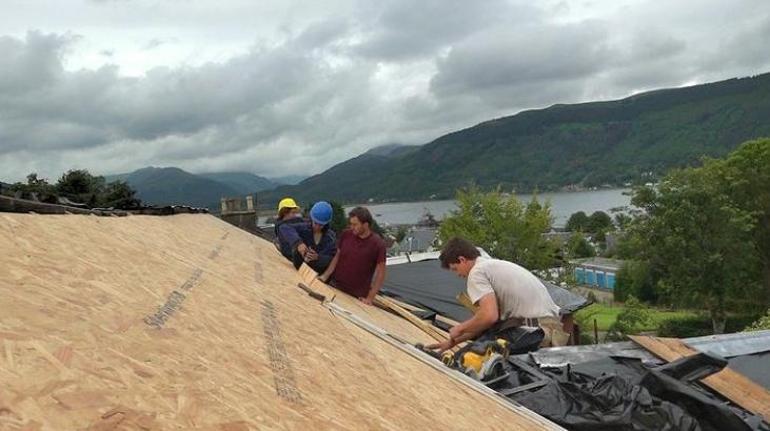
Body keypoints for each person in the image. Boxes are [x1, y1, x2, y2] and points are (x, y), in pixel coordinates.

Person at [427, 237, 568, 353]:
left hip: (535, 332)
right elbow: (487, 323)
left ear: (462, 259)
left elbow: (489, 316)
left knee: (477, 358)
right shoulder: (491, 265)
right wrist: (453, 342)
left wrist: (460, 328)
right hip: (551, 330)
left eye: (455, 268)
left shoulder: (477, 272)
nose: (458, 274)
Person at [318, 207, 386, 305]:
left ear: (366, 225)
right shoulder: (346, 234)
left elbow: (381, 273)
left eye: (355, 225)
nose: (351, 227)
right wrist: (325, 276)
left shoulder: (378, 244)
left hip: (357, 297)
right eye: (351, 224)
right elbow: (337, 257)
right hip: (335, 286)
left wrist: (370, 298)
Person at [277, 201, 337, 273]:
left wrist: (318, 258)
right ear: (312, 219)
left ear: (326, 223)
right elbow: (284, 228)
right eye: (315, 223)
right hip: (299, 269)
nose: (317, 227)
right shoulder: (304, 228)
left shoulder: (330, 238)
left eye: (321, 225)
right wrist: (298, 243)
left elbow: (331, 259)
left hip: (317, 275)